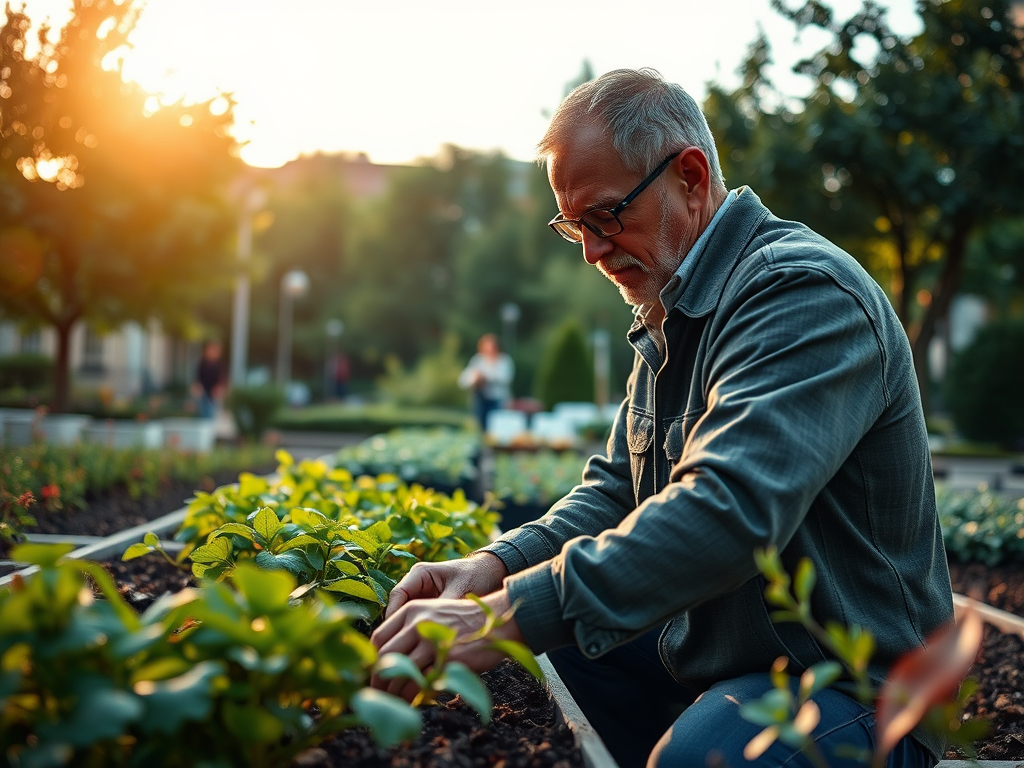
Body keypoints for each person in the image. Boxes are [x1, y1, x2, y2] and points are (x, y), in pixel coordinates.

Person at [370, 69, 953, 768]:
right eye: (574, 227)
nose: (591, 251)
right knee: (564, 653)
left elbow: (731, 512)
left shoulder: (801, 293)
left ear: (690, 177)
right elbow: (615, 492)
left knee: (693, 757)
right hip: (738, 650)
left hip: (860, 686)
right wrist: (492, 568)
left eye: (605, 216)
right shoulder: (672, 308)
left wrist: (506, 615)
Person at [457, 333, 515, 432]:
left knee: (495, 426)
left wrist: (486, 378)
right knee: (479, 425)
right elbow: (464, 379)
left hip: (497, 399)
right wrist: (475, 378)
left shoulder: (504, 361)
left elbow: (506, 378)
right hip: (481, 399)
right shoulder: (478, 360)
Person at [191, 339, 226, 420]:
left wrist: (219, 388)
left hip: (214, 393)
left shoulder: (220, 365)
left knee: (212, 413)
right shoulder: (202, 363)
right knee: (202, 412)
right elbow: (197, 378)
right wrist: (197, 387)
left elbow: (222, 379)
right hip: (203, 392)